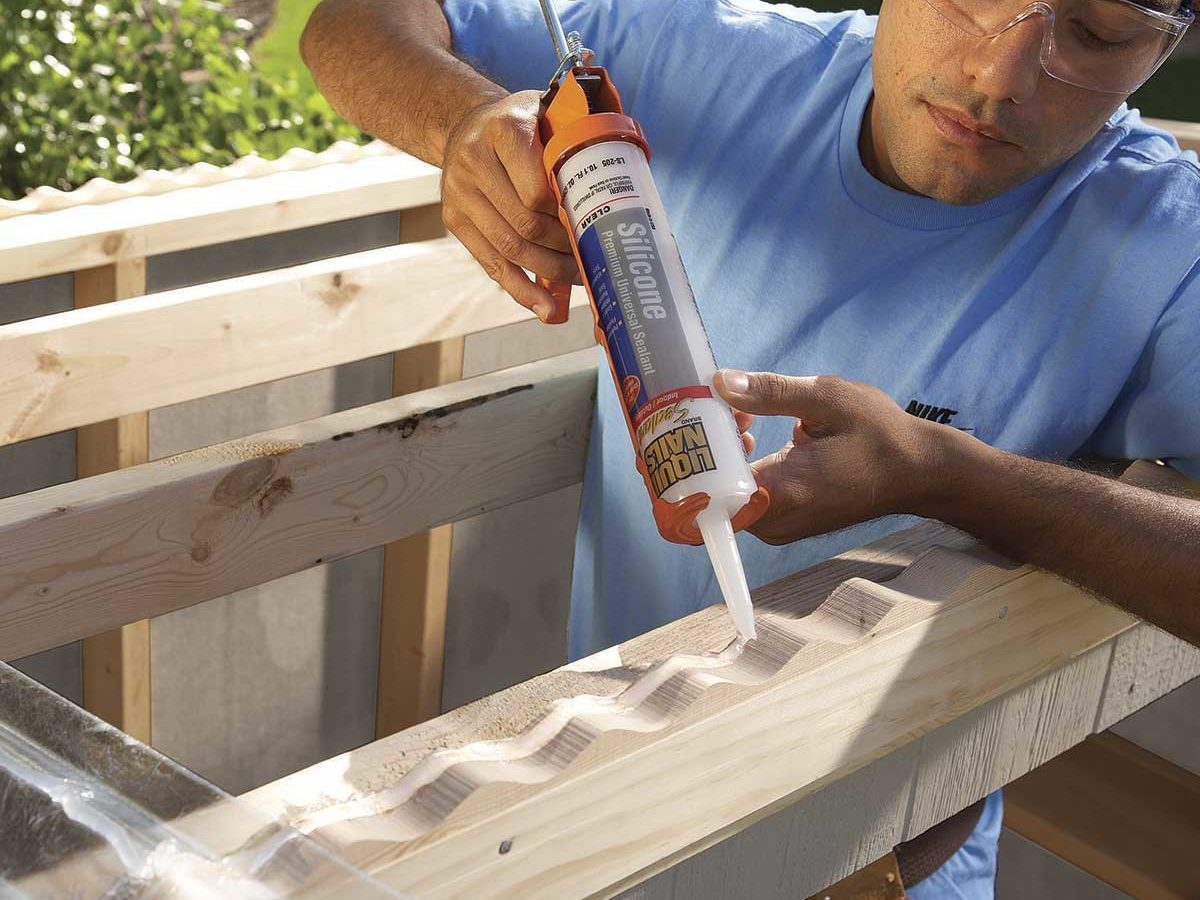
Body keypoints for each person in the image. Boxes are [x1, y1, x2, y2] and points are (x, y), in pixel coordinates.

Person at [300, 0, 1200, 895]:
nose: (999, 77)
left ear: (1168, 43)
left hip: (883, 871)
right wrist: (461, 121)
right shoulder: (712, 60)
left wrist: (951, 478)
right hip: (597, 836)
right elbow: (356, 22)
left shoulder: (1168, 249)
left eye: (1099, 33)